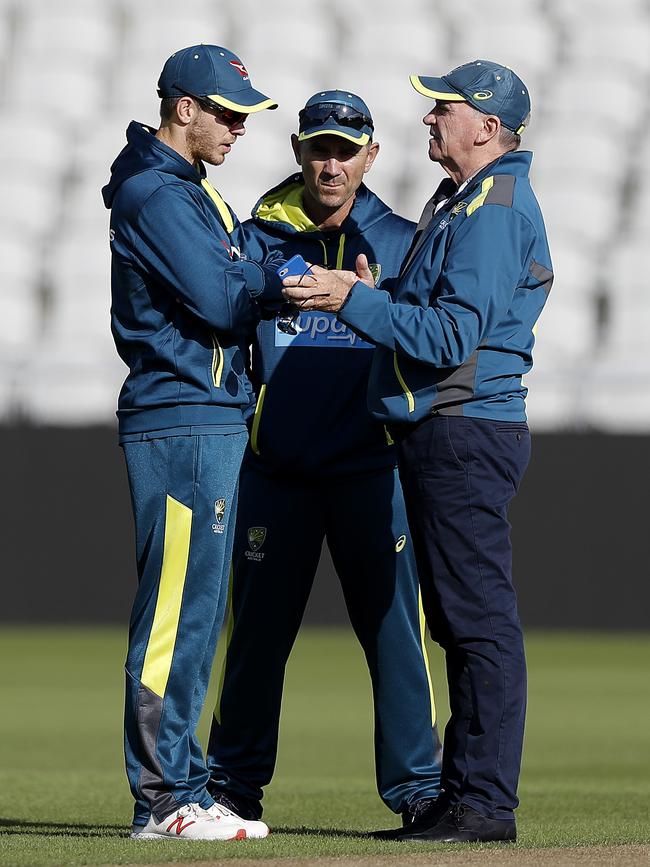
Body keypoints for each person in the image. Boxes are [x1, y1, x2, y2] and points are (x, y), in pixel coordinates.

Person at [283, 60, 553, 843]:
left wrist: (353, 299)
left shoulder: (494, 208)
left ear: (488, 128)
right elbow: (434, 316)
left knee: (479, 626)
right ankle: (462, 797)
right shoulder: (464, 200)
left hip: (465, 428)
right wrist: (378, 293)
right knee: (461, 623)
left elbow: (450, 338)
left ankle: (483, 805)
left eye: (446, 109)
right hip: (448, 427)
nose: (430, 119)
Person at [205, 90, 442, 825]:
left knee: (395, 633)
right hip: (277, 470)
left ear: (372, 156)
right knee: (256, 639)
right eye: (319, 147)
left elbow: (431, 339)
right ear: (299, 151)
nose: (331, 163)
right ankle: (232, 785)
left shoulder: (402, 241)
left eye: (346, 149)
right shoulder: (256, 241)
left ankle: (418, 789)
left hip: (373, 469)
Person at [101, 44, 285, 841]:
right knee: (176, 610)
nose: (240, 127)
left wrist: (248, 276)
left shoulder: (188, 190)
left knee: (200, 610)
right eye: (229, 111)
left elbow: (229, 278)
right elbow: (219, 296)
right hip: (181, 414)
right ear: (185, 108)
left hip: (206, 413)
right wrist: (273, 285)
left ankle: (182, 782)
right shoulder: (156, 193)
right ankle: (164, 797)